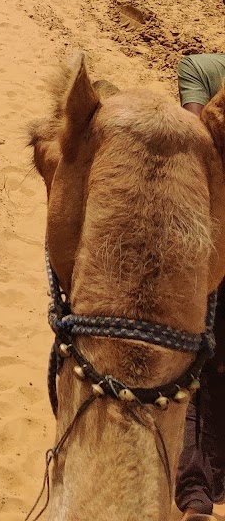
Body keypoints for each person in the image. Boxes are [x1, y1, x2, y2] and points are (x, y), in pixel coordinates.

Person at [175, 53, 225, 519]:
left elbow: (196, 145)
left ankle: (196, 492)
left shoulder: (201, 69)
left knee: (198, 360)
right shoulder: (202, 69)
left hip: (211, 237)